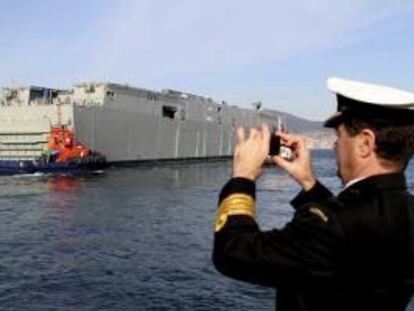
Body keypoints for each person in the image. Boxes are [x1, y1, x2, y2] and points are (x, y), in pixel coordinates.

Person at [212, 77, 414, 311]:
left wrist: (243, 177)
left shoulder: (330, 228)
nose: (334, 146)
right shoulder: (406, 212)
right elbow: (347, 227)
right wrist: (308, 181)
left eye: (339, 137)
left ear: (365, 143)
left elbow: (233, 252)